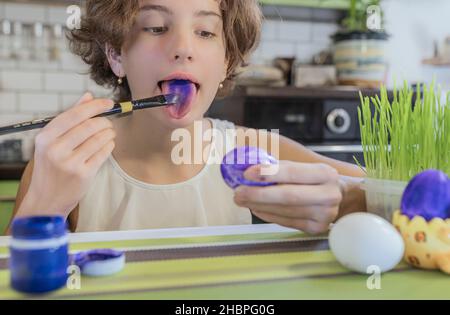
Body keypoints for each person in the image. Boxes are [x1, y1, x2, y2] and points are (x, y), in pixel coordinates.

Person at [8, 0, 366, 235]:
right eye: (155, 27)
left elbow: (398, 194)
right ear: (116, 54)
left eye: (206, 32)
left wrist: (345, 196)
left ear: (227, 61)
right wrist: (42, 207)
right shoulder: (67, 163)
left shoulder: (250, 147)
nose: (182, 48)